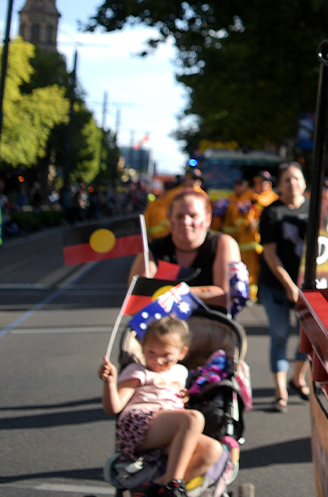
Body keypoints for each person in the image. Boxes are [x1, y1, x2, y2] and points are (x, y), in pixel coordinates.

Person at [99, 316, 224, 497]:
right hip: (139, 424)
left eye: (166, 356)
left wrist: (185, 397)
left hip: (170, 429)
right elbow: (114, 407)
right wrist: (110, 382)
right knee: (194, 418)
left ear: (181, 353)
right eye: (151, 353)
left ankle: (157, 487)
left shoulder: (180, 372)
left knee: (213, 449)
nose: (157, 360)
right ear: (143, 347)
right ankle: (174, 484)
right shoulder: (138, 371)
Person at [129, 189, 241, 309]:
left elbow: (227, 295)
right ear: (170, 220)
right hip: (166, 320)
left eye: (193, 216)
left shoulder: (223, 244)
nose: (186, 222)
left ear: (207, 220)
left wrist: (175, 293)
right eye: (179, 216)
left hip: (213, 319)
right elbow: (136, 299)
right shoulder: (153, 250)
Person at [258, 162, 309, 411]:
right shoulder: (271, 212)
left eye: (296, 178)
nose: (292, 184)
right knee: (280, 334)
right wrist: (289, 285)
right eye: (287, 180)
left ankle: (298, 378)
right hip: (276, 285)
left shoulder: (316, 209)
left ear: (304, 182)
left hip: (308, 287)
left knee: (308, 336)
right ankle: (280, 391)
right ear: (279, 185)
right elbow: (270, 253)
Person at [220, 170, 275, 300]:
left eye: (263, 182)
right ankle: (251, 296)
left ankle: (265, 295)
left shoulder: (273, 198)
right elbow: (237, 217)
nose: (259, 185)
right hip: (249, 241)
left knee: (268, 269)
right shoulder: (247, 198)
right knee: (250, 270)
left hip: (268, 241)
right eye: (257, 182)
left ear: (269, 184)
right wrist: (246, 224)